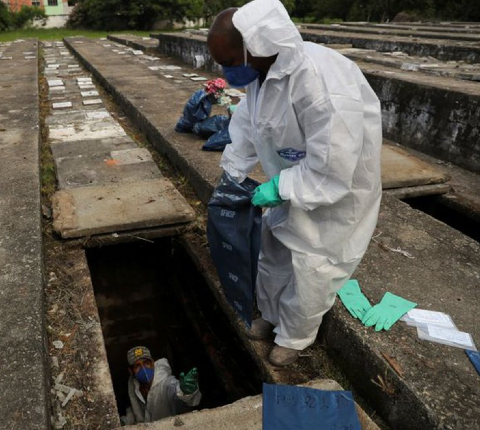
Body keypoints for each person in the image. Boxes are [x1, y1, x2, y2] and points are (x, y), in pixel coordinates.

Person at [207, 0, 382, 366]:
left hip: (335, 194)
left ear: (257, 46)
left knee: (313, 264)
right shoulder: (260, 74)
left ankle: (296, 335)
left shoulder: (322, 85)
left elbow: (333, 169)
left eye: (229, 63)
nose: (226, 72)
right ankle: (271, 315)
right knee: (274, 248)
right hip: (291, 178)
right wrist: (233, 172)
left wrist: (280, 188)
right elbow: (249, 128)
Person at [120, 346, 201, 425]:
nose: (143, 369)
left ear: (152, 364)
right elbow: (138, 410)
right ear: (130, 371)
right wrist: (126, 421)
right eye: (137, 366)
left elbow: (176, 389)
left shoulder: (165, 383)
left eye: (146, 363)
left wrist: (186, 391)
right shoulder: (133, 384)